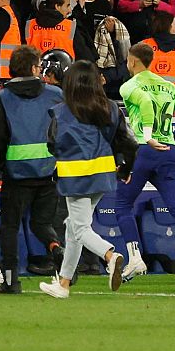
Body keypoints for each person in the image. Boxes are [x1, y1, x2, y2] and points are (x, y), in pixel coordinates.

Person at [115, 42, 175, 283]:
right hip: (168, 152)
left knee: (123, 205)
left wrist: (147, 137)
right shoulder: (168, 86)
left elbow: (146, 104)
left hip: (142, 151)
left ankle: (135, 258)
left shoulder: (129, 86)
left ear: (133, 61)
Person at [39, 60, 134, 299]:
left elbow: (52, 144)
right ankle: (64, 283)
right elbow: (125, 141)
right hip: (103, 172)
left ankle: (110, 256)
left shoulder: (61, 111)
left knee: (80, 228)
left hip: (75, 175)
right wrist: (126, 167)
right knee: (74, 227)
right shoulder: (110, 107)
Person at [0, 45, 64, 294]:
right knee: (42, 223)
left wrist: (2, 164)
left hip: (16, 173)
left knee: (9, 227)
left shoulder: (3, 97)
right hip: (49, 171)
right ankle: (56, 249)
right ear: (33, 68)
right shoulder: (55, 94)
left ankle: (10, 281)